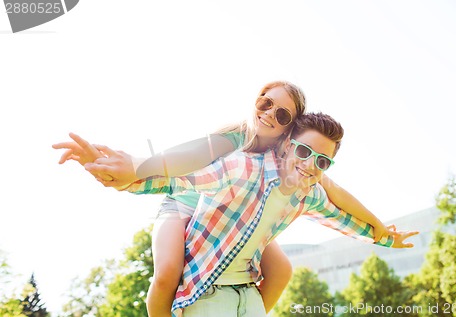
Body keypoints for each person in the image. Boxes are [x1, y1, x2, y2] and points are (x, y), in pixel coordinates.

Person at [53, 82, 391, 316]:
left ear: (289, 131)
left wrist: (379, 229)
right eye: (265, 102)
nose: (270, 113)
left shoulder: (296, 166)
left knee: (282, 269)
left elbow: (333, 195)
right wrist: (130, 167)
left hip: (236, 215)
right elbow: (177, 166)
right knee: (169, 270)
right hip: (186, 198)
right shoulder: (234, 139)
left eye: (283, 115)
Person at [120, 112, 418, 317]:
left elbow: (341, 216)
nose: (310, 164)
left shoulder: (308, 193)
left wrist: (384, 237)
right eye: (304, 152)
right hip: (200, 264)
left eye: (322, 162)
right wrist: (127, 173)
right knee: (165, 275)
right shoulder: (243, 161)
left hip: (245, 292)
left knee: (282, 269)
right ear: (288, 145)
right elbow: (178, 177)